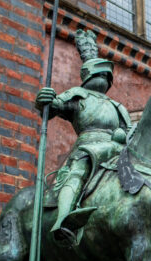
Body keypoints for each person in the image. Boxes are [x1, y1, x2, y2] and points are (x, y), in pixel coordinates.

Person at [36, 29, 131, 245]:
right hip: (89, 147)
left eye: (105, 75)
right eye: (99, 73)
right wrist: (45, 100)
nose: (103, 77)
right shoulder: (78, 95)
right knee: (78, 171)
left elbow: (129, 131)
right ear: (88, 75)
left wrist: (125, 138)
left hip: (117, 150)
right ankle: (63, 219)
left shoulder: (117, 106)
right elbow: (53, 107)